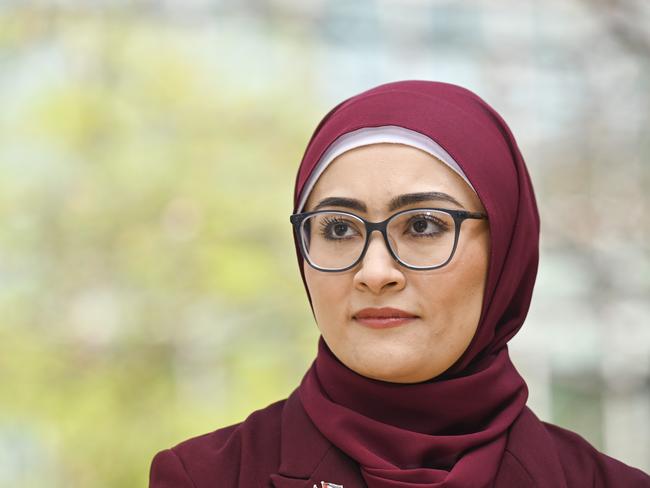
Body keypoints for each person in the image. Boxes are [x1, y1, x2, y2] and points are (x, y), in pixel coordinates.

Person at [149, 80, 650, 487]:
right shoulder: (207, 476)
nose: (374, 273)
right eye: (339, 229)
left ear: (505, 251)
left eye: (423, 225)